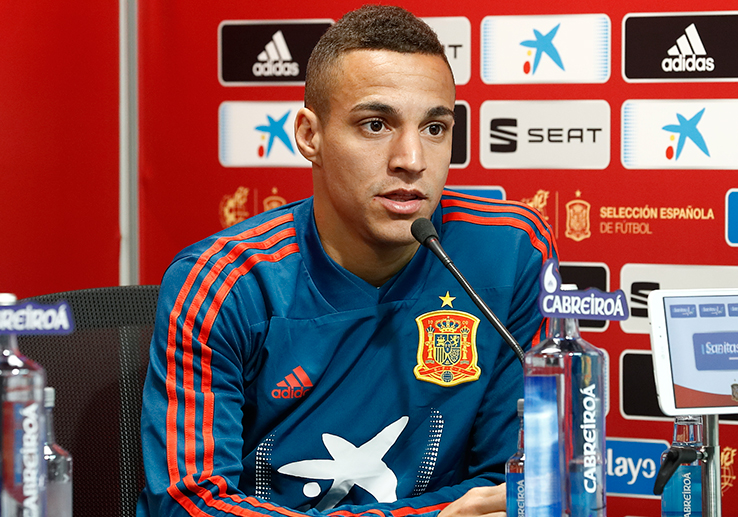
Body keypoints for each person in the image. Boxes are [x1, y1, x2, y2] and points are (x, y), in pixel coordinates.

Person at [137, 5, 557, 517]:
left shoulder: (511, 251)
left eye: (435, 127)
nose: (411, 158)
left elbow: (516, 485)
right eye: (376, 124)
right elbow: (191, 505)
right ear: (310, 136)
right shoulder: (225, 282)